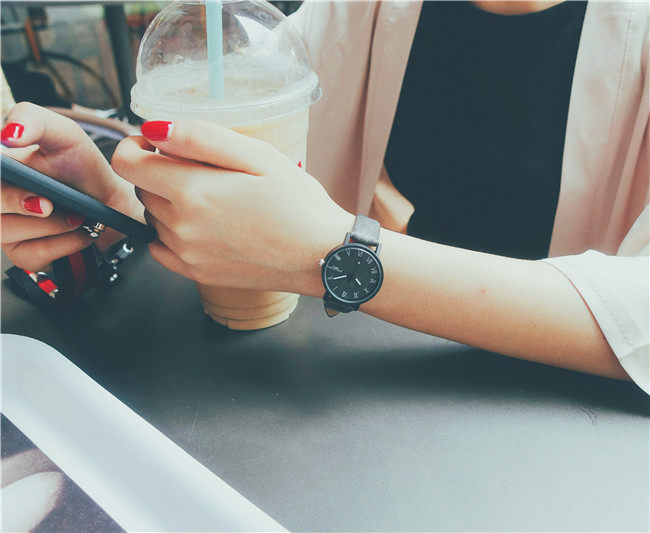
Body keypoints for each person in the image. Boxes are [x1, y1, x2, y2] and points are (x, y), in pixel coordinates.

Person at [1, 1, 648, 393]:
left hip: (568, 413)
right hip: (393, 383)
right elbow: (245, 189)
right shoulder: (362, 12)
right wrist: (119, 202)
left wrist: (339, 256)